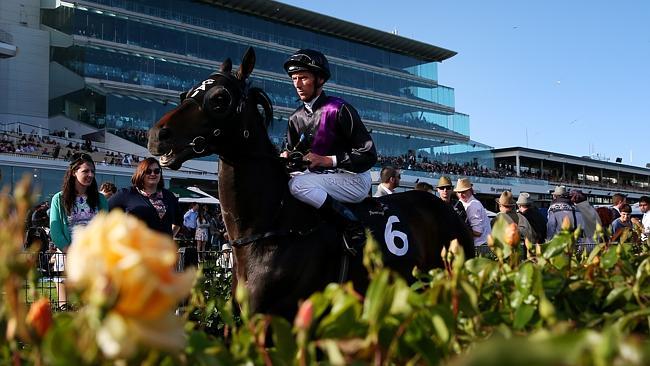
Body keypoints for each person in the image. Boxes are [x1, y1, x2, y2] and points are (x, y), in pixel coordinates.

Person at [281, 49, 377, 255]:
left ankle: (351, 225)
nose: (297, 84)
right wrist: (287, 158)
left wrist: (327, 160)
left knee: (297, 185)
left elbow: (369, 155)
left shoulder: (339, 109)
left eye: (304, 78)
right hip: (319, 179)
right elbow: (292, 159)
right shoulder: (294, 118)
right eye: (294, 78)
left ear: (320, 79)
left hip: (354, 179)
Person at [50, 153, 108, 309]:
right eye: (85, 171)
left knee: (90, 309)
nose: (90, 175)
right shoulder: (59, 199)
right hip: (66, 257)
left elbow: (106, 228)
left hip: (94, 259)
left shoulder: (100, 199)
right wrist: (69, 251)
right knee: (65, 309)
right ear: (74, 172)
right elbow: (55, 231)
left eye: (92, 171)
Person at [108, 157, 182, 237]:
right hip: (136, 247)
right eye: (148, 171)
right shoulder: (127, 194)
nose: (153, 174)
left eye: (156, 171)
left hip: (163, 248)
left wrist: (169, 239)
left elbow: (178, 221)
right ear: (141, 173)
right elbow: (104, 212)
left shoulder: (169, 196)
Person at [454, 178, 490, 246]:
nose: (461, 194)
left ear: (470, 190)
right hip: (479, 244)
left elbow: (477, 232)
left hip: (479, 246)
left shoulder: (473, 204)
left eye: (463, 191)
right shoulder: (466, 202)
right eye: (459, 192)